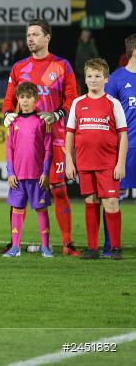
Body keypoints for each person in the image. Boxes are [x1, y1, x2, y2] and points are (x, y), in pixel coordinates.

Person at [1, 19, 80, 256]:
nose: (30, 39)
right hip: (25, 141)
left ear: (48, 38)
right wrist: (6, 114)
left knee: (57, 189)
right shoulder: (19, 68)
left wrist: (57, 114)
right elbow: (8, 100)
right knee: (20, 191)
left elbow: (72, 99)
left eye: (35, 34)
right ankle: (14, 243)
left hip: (53, 140)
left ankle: (67, 243)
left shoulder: (62, 66)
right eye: (28, 35)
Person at [65, 58, 128, 260]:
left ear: (106, 79)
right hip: (84, 163)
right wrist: (69, 161)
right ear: (85, 79)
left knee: (111, 203)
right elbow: (70, 134)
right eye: (90, 76)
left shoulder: (114, 104)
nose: (93, 80)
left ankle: (115, 248)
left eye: (98, 76)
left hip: (108, 164)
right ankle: (92, 248)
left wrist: (120, 163)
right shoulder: (78, 103)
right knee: (91, 201)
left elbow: (123, 135)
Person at [2, 82, 53, 258]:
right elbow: (9, 149)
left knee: (41, 209)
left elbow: (48, 149)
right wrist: (10, 172)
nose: (25, 101)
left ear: (36, 99)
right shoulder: (13, 122)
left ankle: (46, 247)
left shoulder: (42, 121)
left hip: (37, 176)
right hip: (18, 176)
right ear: (18, 99)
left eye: (28, 97)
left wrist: (46, 172)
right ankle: (15, 247)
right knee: (17, 209)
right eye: (22, 97)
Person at [106, 34, 136, 204]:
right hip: (125, 150)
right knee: (112, 201)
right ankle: (111, 232)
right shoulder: (116, 79)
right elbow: (107, 117)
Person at [74, 30, 100, 94]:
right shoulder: (80, 44)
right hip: (80, 71)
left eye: (84, 35)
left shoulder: (91, 45)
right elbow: (78, 57)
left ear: (87, 36)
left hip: (89, 72)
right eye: (82, 35)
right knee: (82, 89)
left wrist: (92, 69)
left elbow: (96, 57)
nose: (82, 36)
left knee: (89, 89)